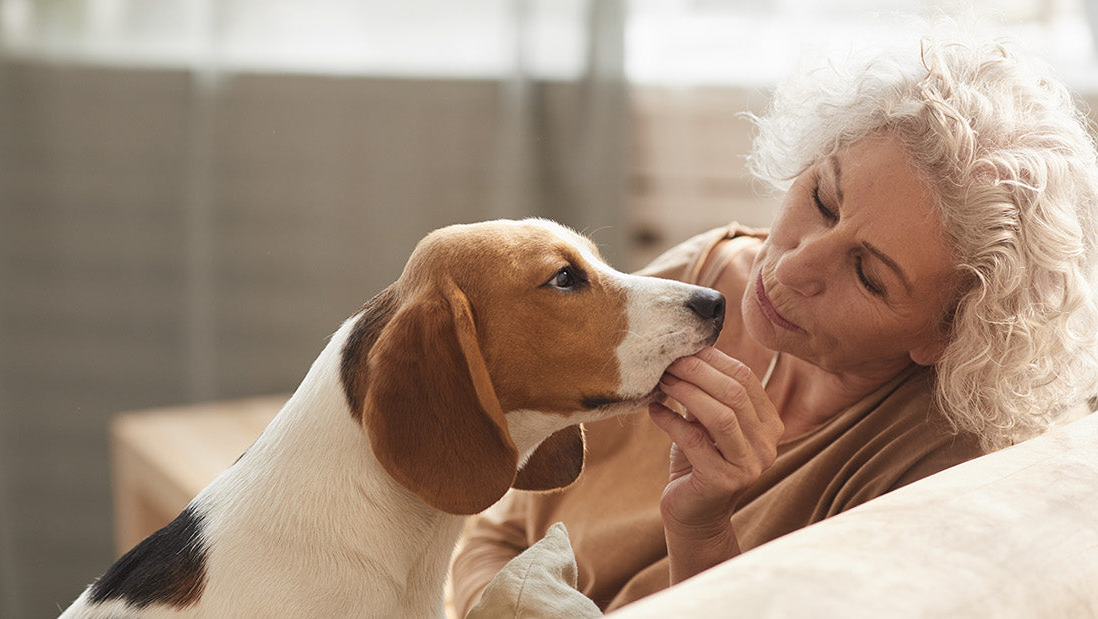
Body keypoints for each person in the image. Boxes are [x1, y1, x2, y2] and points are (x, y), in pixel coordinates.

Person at [451, 33, 1098, 615]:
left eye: (869, 275)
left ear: (946, 332)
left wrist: (703, 530)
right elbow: (503, 527)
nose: (792, 265)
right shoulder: (705, 275)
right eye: (822, 198)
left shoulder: (936, 470)